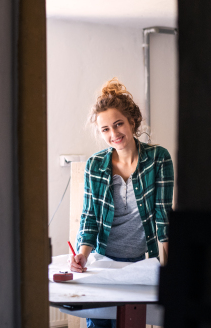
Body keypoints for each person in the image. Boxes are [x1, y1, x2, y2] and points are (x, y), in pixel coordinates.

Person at [69, 78, 174, 328]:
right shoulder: (95, 165)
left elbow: (164, 221)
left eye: (118, 124)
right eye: (105, 129)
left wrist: (169, 272)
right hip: (103, 264)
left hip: (140, 266)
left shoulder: (158, 159)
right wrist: (82, 256)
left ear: (132, 122)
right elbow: (89, 218)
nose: (114, 134)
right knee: (98, 325)